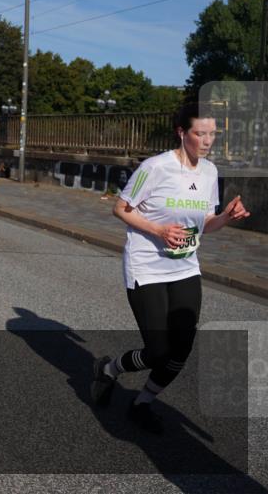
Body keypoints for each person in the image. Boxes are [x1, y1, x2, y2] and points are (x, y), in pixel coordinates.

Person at [91, 102, 250, 434]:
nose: (207, 141)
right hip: (146, 267)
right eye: (200, 134)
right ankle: (110, 369)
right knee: (159, 350)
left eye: (212, 134)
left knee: (182, 347)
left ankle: (143, 403)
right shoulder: (155, 168)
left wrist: (226, 218)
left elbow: (206, 222)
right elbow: (121, 209)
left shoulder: (209, 172)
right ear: (182, 133)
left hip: (185, 268)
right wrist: (159, 230)